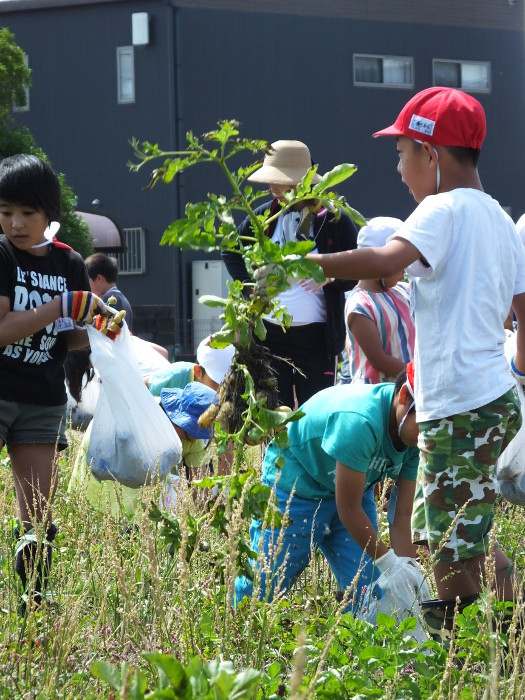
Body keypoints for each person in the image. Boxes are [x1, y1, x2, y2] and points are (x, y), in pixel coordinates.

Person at [301, 86, 525, 635]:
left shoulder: (440, 209)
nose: (399, 169)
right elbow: (521, 310)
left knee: (449, 546)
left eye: (401, 153)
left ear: (431, 152)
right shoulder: (500, 219)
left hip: (459, 407)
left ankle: (457, 649)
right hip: (493, 400)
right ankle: (501, 632)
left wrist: (310, 263)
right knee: (453, 530)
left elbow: (386, 260)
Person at [0, 154, 121, 609]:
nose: (15, 223)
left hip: (42, 399)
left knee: (37, 514)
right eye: (5, 212)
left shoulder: (69, 262)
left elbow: (67, 339)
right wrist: (58, 306)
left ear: (49, 213)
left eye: (27, 213)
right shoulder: (2, 255)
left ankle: (34, 602)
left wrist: (101, 329)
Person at [234, 363, 421, 609]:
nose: (429, 435)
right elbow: (349, 510)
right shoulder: (360, 421)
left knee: (370, 592)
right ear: (405, 396)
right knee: (265, 584)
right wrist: (387, 561)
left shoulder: (414, 437)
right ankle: (238, 623)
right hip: (297, 485)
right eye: (426, 423)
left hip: (352, 493)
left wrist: (407, 573)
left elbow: (402, 514)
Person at [222, 140, 358, 409]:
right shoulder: (263, 216)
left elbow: (356, 267)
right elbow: (230, 250)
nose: (272, 187)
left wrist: (331, 276)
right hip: (270, 336)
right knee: (275, 413)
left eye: (280, 181)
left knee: (315, 412)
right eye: (271, 180)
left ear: (301, 181)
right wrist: (250, 287)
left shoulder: (334, 218)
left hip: (317, 339)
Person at [68, 382, 217, 518]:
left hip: (139, 481)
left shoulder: (195, 440)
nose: (192, 439)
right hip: (106, 457)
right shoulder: (141, 418)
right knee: (96, 511)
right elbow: (124, 472)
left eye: (198, 434)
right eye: (187, 432)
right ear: (174, 415)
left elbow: (201, 490)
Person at [345, 216, 414, 384]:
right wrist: (417, 376)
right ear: (376, 263)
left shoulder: (402, 291)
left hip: (407, 386)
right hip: (378, 391)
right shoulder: (361, 305)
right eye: (399, 265)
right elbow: (378, 359)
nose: (404, 272)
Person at [146, 334, 235, 395]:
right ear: (197, 371)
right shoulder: (175, 376)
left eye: (225, 383)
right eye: (215, 381)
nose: (220, 388)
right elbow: (144, 387)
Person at [85, 252, 134, 332]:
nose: (86, 286)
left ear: (99, 278)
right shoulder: (123, 300)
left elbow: (98, 333)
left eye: (87, 281)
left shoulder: (107, 301)